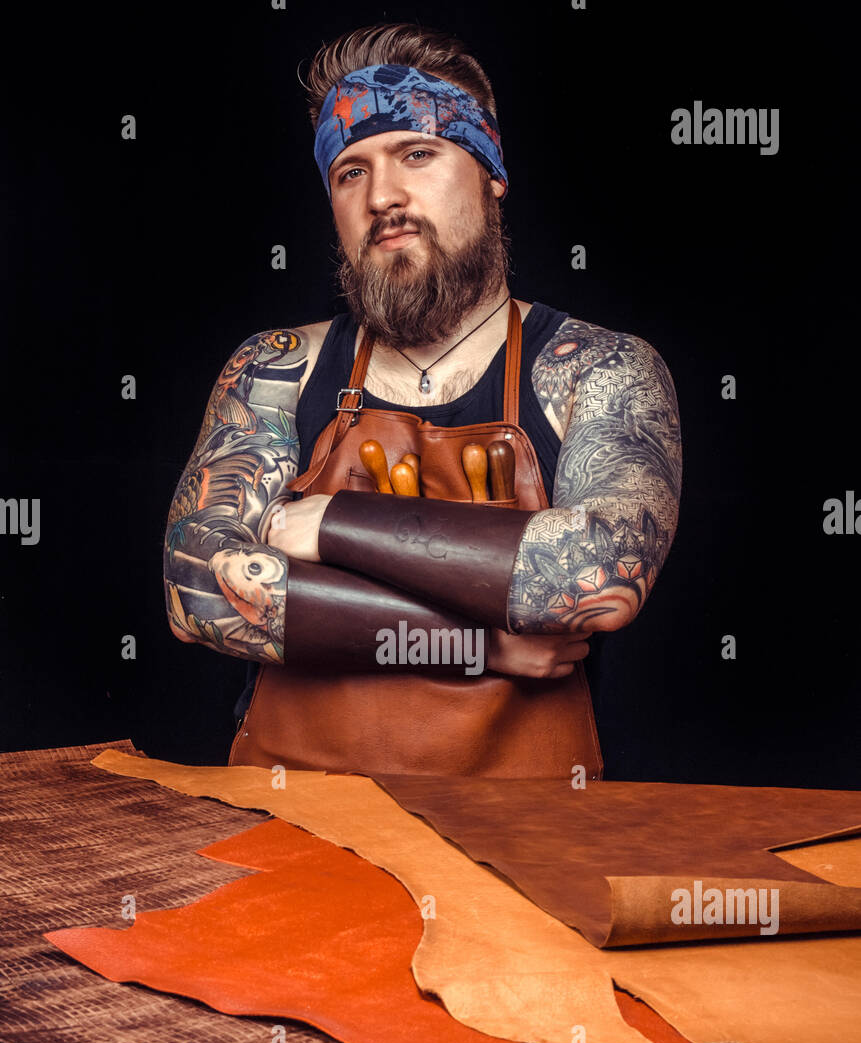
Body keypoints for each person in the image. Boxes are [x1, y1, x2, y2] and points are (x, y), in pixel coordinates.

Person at [163, 21, 682, 779]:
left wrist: (327, 524)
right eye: (350, 172)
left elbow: (600, 580)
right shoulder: (275, 368)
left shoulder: (598, 368)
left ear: (489, 172)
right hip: (291, 824)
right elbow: (195, 593)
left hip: (525, 837)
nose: (383, 196)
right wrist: (478, 646)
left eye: (416, 154)